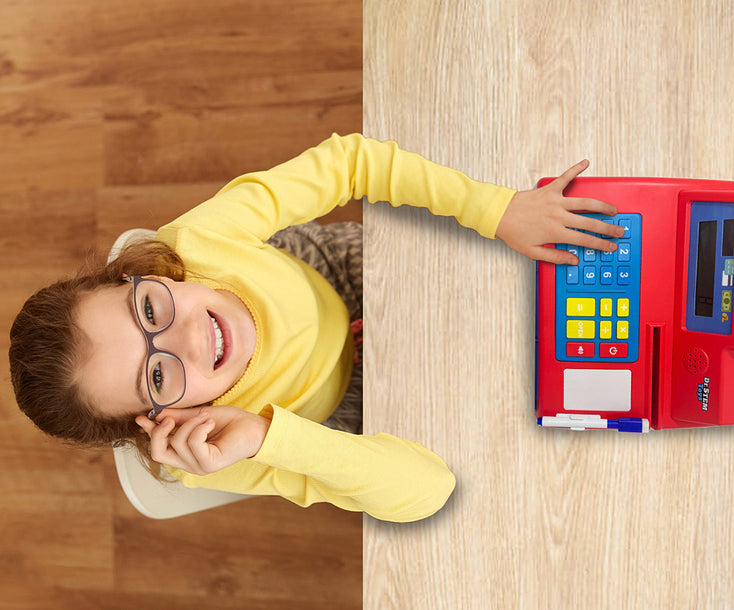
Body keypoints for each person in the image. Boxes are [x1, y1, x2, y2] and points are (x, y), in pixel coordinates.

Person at [9, 133, 623, 522]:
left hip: (335, 279)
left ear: (135, 275)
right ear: (156, 422)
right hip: (333, 415)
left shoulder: (193, 244)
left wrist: (496, 208)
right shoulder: (217, 448)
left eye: (148, 311)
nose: (193, 338)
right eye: (160, 374)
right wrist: (268, 437)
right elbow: (429, 488)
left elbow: (351, 161)